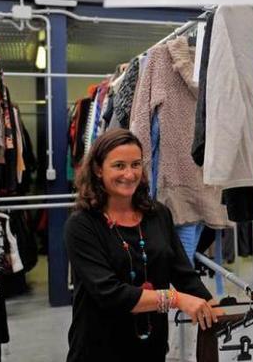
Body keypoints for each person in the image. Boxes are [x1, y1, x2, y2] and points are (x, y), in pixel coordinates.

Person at [65, 128, 223, 361]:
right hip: (98, 350)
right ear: (98, 170)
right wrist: (176, 299)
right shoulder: (82, 225)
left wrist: (212, 307)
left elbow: (182, 273)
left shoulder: (157, 214)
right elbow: (109, 293)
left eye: (136, 164)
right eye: (119, 166)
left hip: (152, 348)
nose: (129, 174)